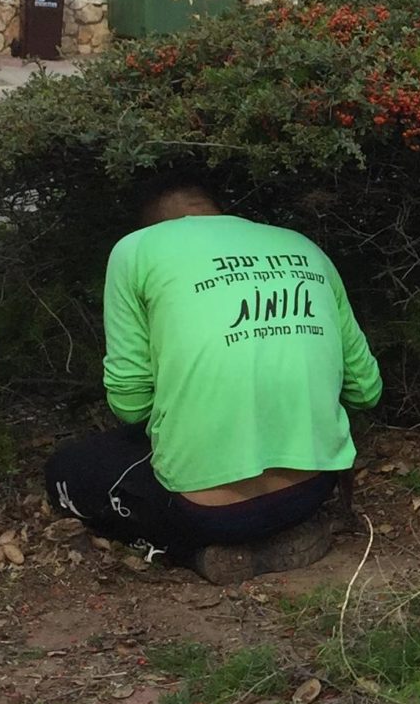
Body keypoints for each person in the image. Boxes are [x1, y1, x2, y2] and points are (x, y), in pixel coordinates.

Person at [45, 172, 382, 584]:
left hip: (209, 513)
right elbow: (367, 391)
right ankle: (280, 537)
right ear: (219, 211)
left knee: (68, 468)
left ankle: (195, 553)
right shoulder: (302, 247)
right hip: (311, 493)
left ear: (151, 223)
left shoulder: (135, 251)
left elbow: (130, 404)